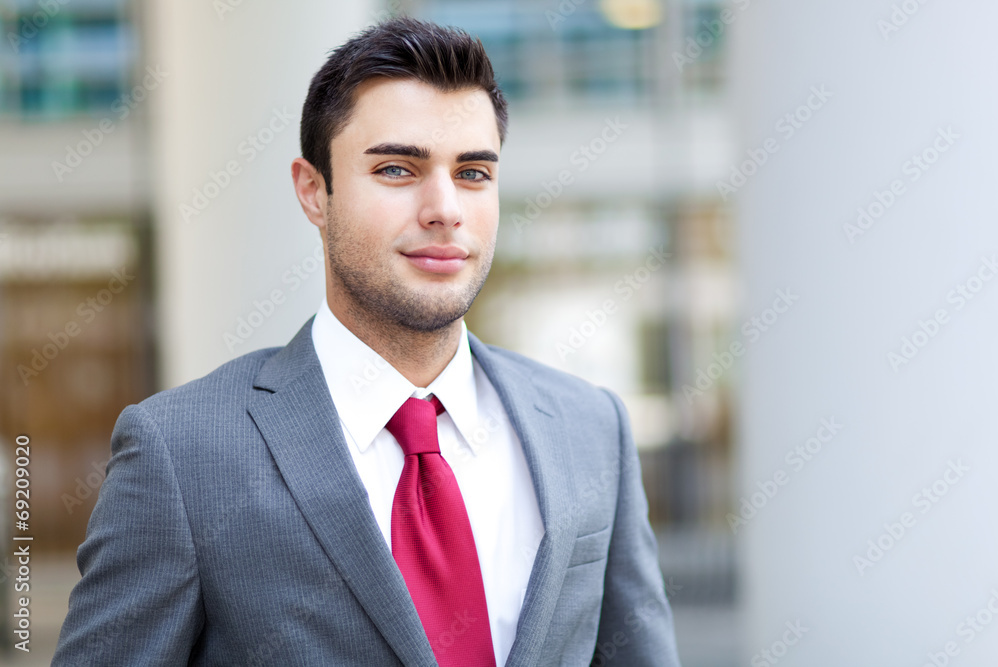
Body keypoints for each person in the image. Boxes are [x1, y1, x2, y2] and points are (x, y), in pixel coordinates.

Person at [53, 17, 682, 666]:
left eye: (472, 173)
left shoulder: (590, 427)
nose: (445, 208)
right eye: (396, 169)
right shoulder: (182, 455)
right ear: (313, 192)